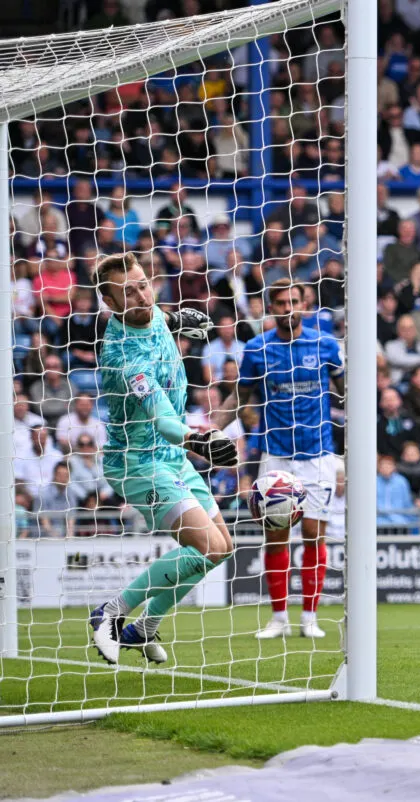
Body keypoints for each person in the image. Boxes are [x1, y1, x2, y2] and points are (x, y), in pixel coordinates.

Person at [89, 253, 235, 665]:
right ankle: (111, 612)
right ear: (111, 303)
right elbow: (162, 418)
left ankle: (144, 628)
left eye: (142, 284)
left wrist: (177, 318)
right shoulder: (123, 359)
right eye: (127, 291)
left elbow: (157, 319)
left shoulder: (152, 313)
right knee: (206, 546)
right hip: (137, 463)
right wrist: (198, 439)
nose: (140, 295)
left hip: (170, 457)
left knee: (223, 548)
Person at [213, 279, 345, 640]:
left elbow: (346, 391)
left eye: (294, 302)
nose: (288, 309)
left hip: (318, 454)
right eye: (282, 303)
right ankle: (279, 618)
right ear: (271, 308)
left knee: (314, 535)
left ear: (305, 304)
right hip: (275, 456)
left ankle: (310, 618)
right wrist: (209, 430)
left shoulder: (325, 344)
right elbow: (238, 399)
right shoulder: (257, 349)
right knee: (276, 537)